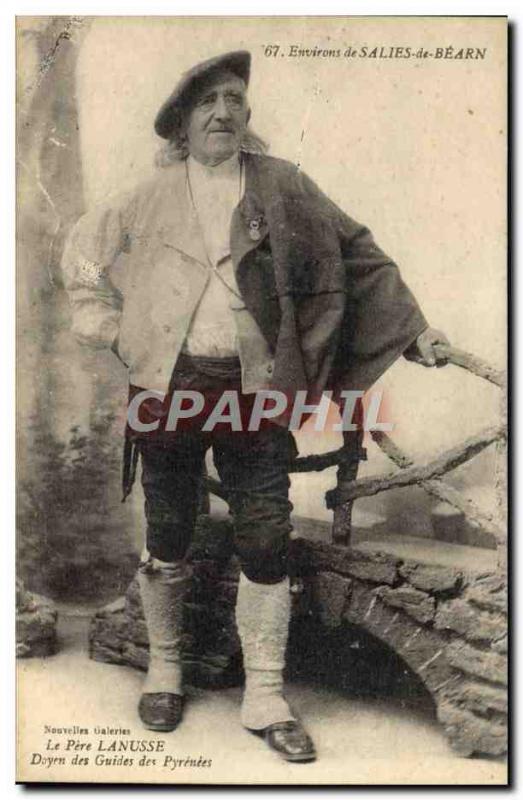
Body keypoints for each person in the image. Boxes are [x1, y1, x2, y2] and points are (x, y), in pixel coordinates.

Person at [62, 50, 449, 763]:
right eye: (206, 102)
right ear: (182, 121)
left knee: (264, 535)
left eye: (234, 100)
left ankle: (266, 695)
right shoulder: (147, 193)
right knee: (170, 528)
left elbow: (358, 254)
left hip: (258, 388)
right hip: (168, 386)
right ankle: (166, 671)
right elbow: (83, 252)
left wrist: (412, 330)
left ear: (246, 115)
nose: (221, 113)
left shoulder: (283, 185)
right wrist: (105, 322)